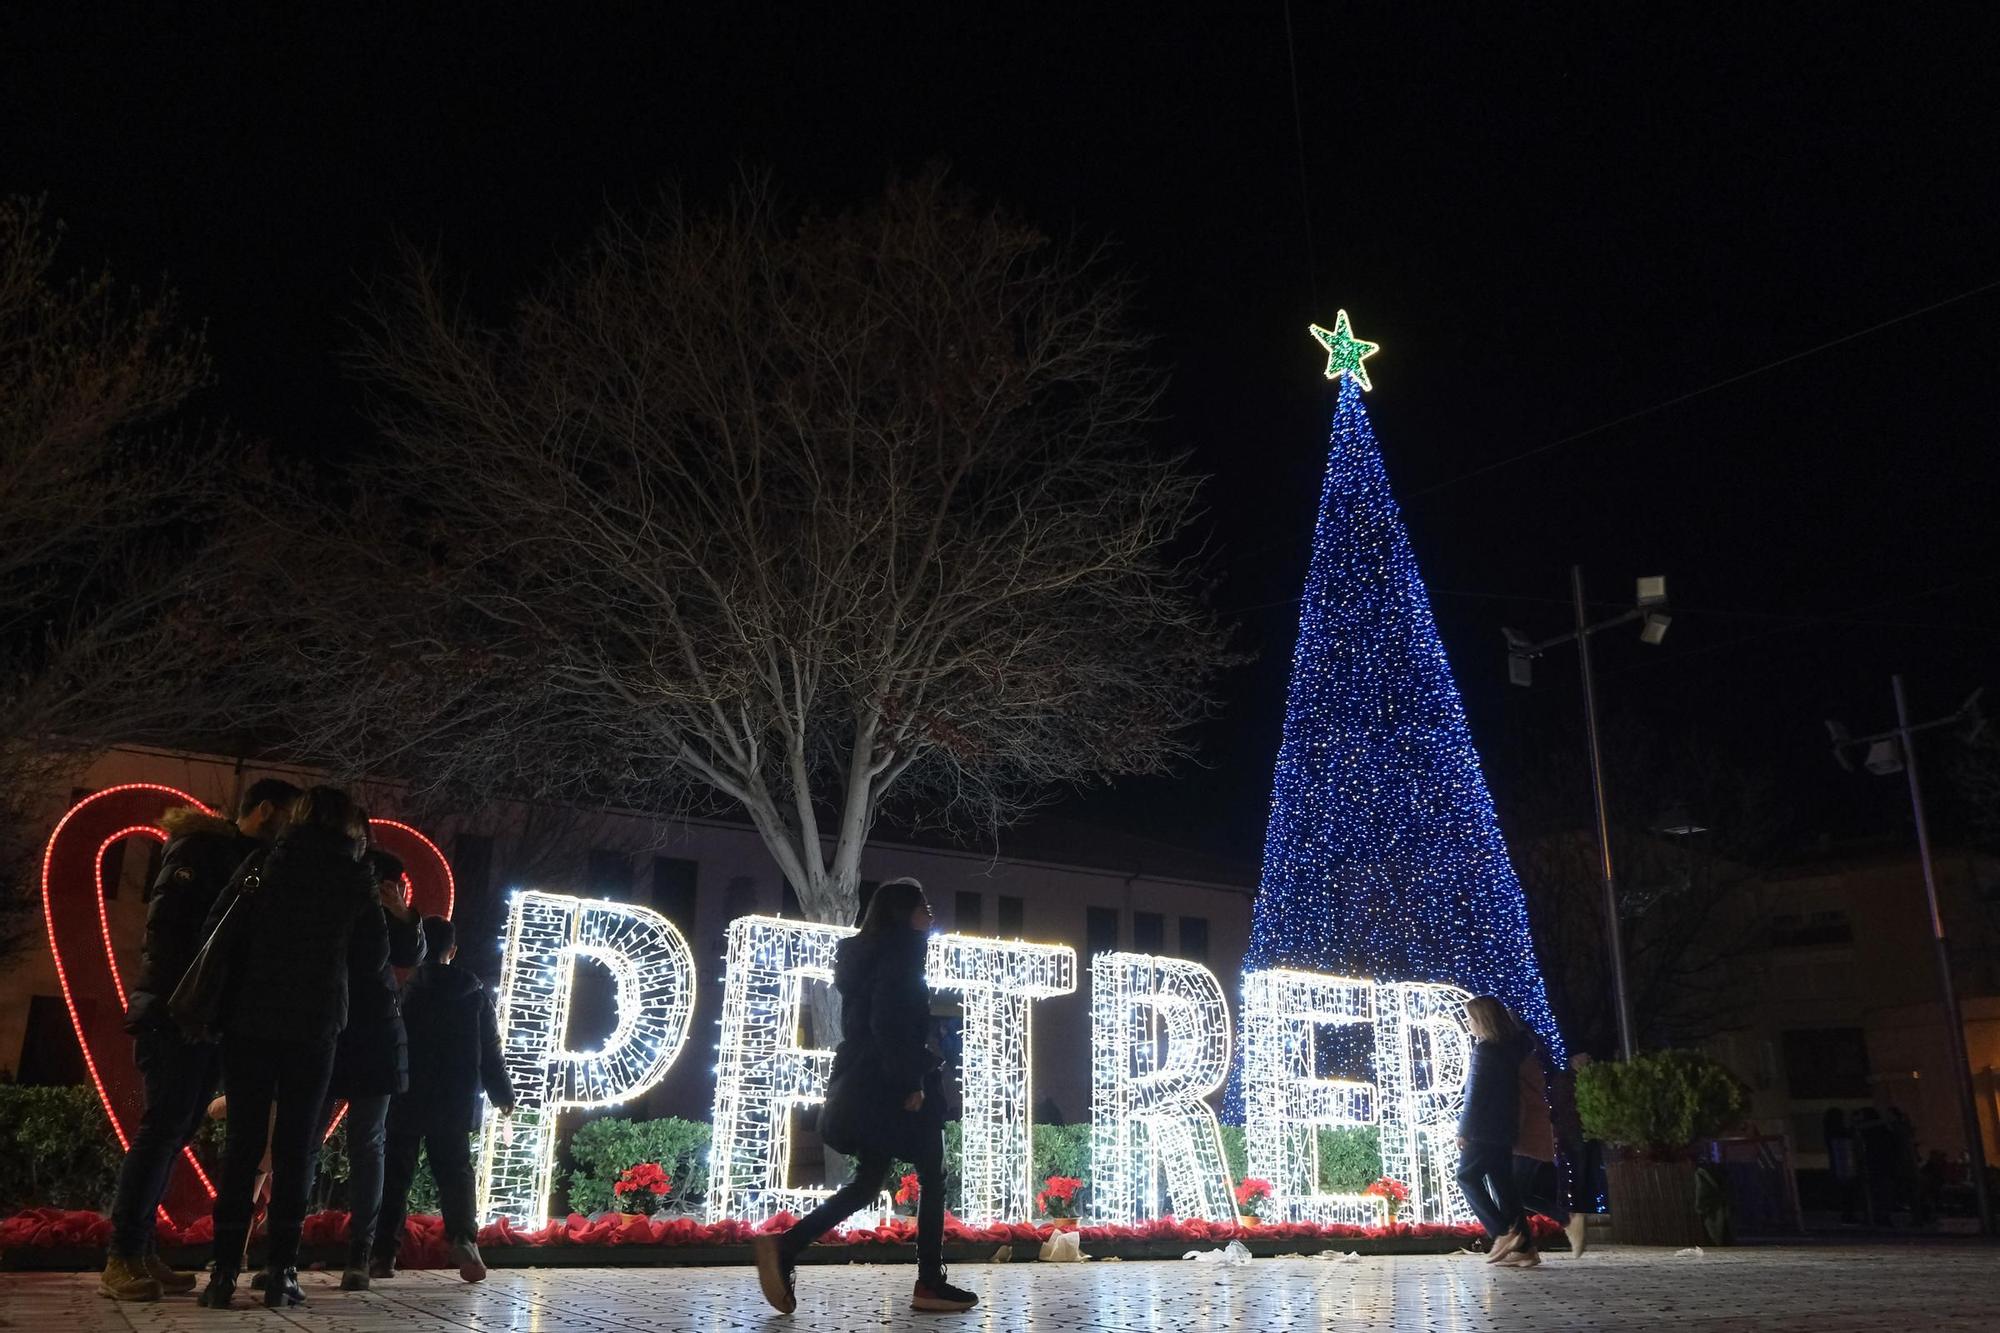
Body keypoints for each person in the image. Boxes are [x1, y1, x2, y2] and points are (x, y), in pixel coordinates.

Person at [100, 777, 301, 1303]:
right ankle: (122, 1254)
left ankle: (139, 1249)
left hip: (209, 1019)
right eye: (288, 817)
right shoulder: (204, 850)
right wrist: (181, 1007)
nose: (291, 830)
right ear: (264, 811)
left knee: (174, 1130)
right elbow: (169, 933)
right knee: (161, 1129)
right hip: (179, 1015)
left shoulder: (246, 859)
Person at [752, 878, 977, 1315]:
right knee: (934, 1174)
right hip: (897, 1088)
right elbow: (889, 1027)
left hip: (869, 1087)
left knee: (869, 1182)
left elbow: (874, 1027)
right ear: (901, 914)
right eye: (922, 906)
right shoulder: (899, 960)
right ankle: (929, 1283)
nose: (930, 913)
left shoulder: (872, 959)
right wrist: (912, 1082)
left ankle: (787, 1246)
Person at [197, 786, 384, 1309]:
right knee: (297, 1147)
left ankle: (223, 1273)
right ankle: (281, 1272)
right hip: (314, 1026)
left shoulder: (264, 865)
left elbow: (217, 930)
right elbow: (372, 961)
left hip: (249, 1021)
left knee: (243, 1144)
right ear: (348, 827)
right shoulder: (353, 879)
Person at [373, 914, 515, 1284]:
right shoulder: (474, 994)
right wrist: (502, 1093)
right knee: (454, 1172)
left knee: (395, 1174)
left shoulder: (405, 990)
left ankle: (383, 1254)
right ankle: (465, 1240)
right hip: (454, 1097)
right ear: (452, 951)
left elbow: (388, 1041)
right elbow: (490, 1049)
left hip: (406, 1094)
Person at [310, 847, 424, 1290]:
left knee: (366, 1144)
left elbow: (411, 954)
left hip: (370, 1037)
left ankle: (361, 1250)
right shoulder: (335, 905)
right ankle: (288, 1249)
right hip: (332, 1031)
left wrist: (400, 911)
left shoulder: (388, 918)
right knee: (308, 1140)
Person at [1456, 995, 1539, 1269]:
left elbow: (1475, 1095)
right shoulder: (1511, 1049)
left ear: (1482, 1020)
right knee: (1503, 1185)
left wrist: (1464, 1131)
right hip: (1506, 1127)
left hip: (1484, 1129)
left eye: (1470, 1017)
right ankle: (1526, 1248)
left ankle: (1504, 1232)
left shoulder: (1485, 1050)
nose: (1468, 1023)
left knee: (1466, 1177)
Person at [1509, 1041, 1589, 1257]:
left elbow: (1522, 1101)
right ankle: (1523, 1245)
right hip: (1534, 1134)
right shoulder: (1537, 1064)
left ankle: (1563, 1220)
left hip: (1526, 1137)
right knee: (1517, 1192)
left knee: (1514, 1192)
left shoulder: (1522, 1064)